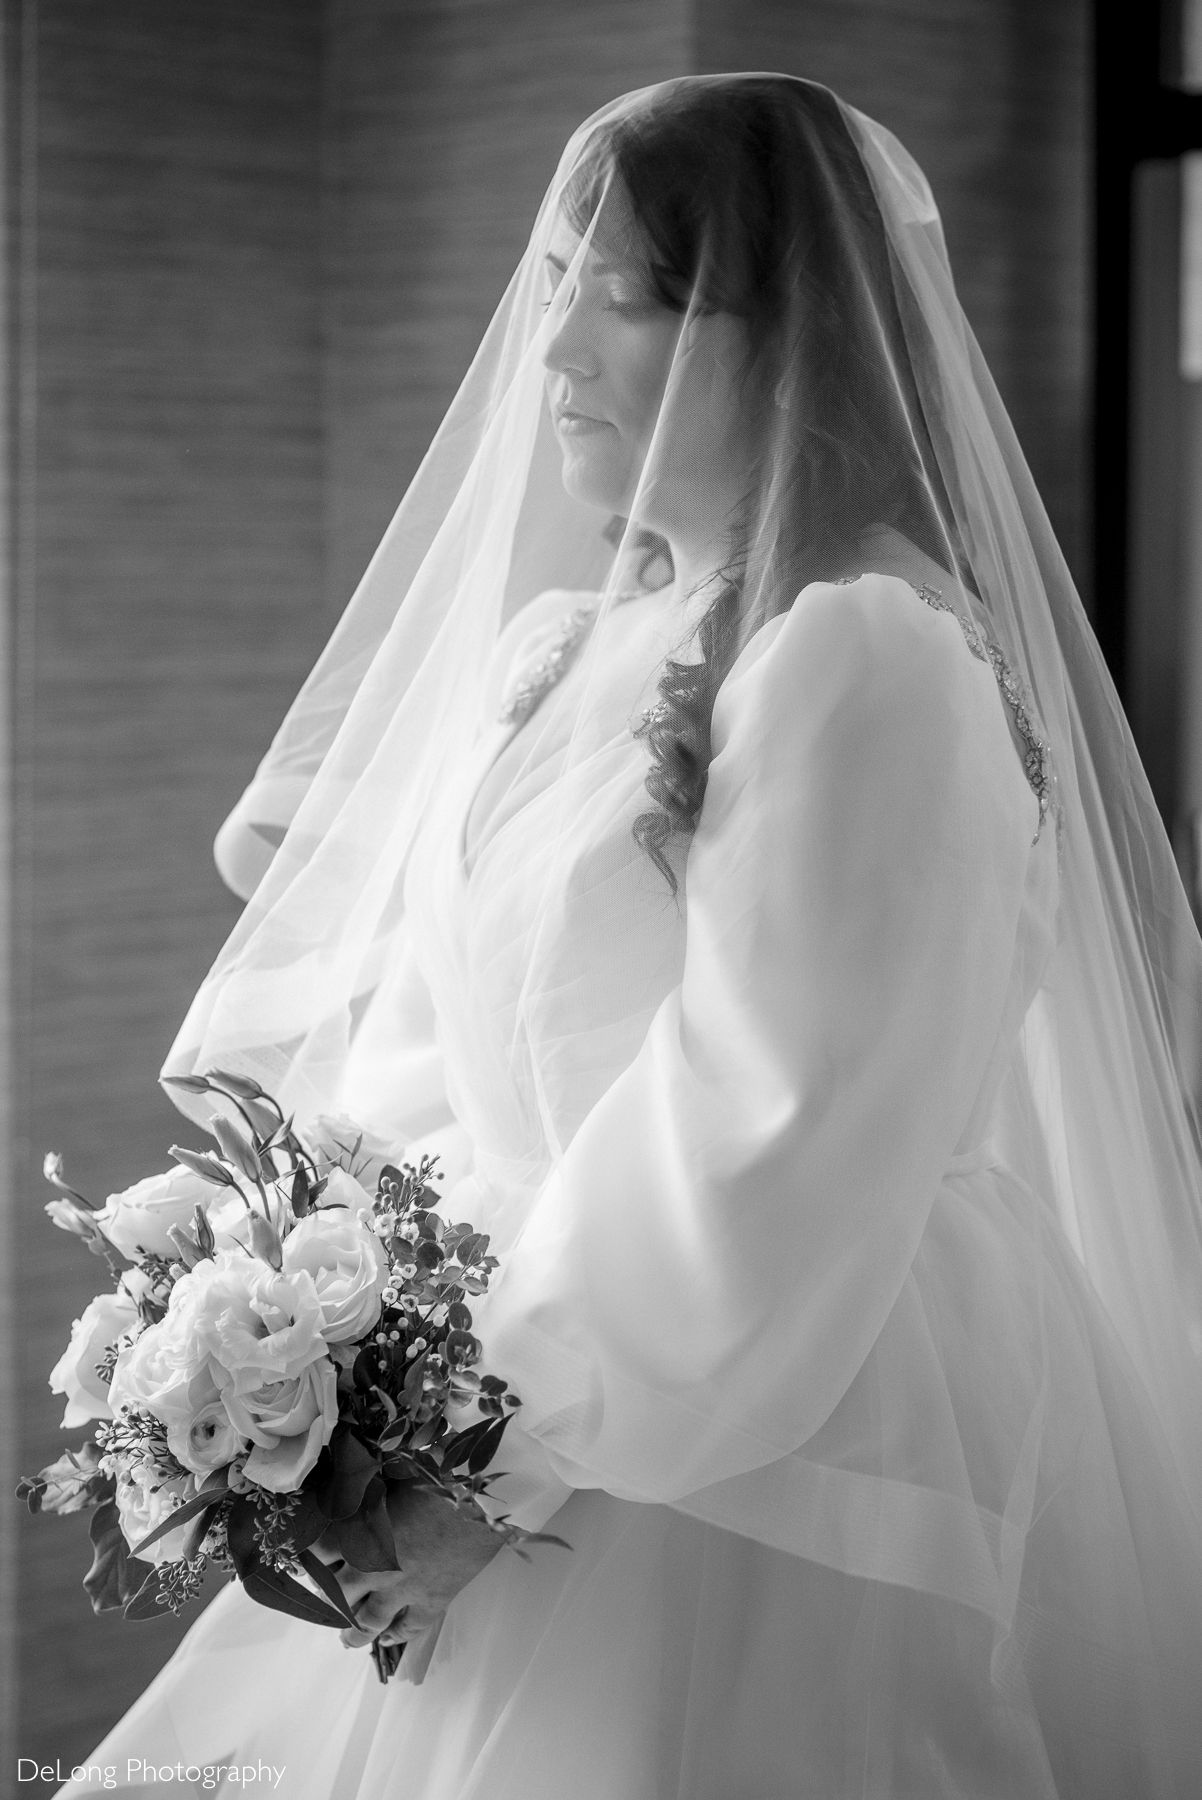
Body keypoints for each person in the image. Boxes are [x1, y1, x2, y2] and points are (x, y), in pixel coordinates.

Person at [60, 74, 1202, 1799]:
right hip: (538, 1366)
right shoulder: (554, 651)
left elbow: (765, 1137)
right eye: (553, 297)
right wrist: (320, 1322)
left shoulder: (860, 656)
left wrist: (472, 1460)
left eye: (625, 300)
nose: (558, 362)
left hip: (774, 1430)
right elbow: (433, 1055)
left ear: (786, 327)